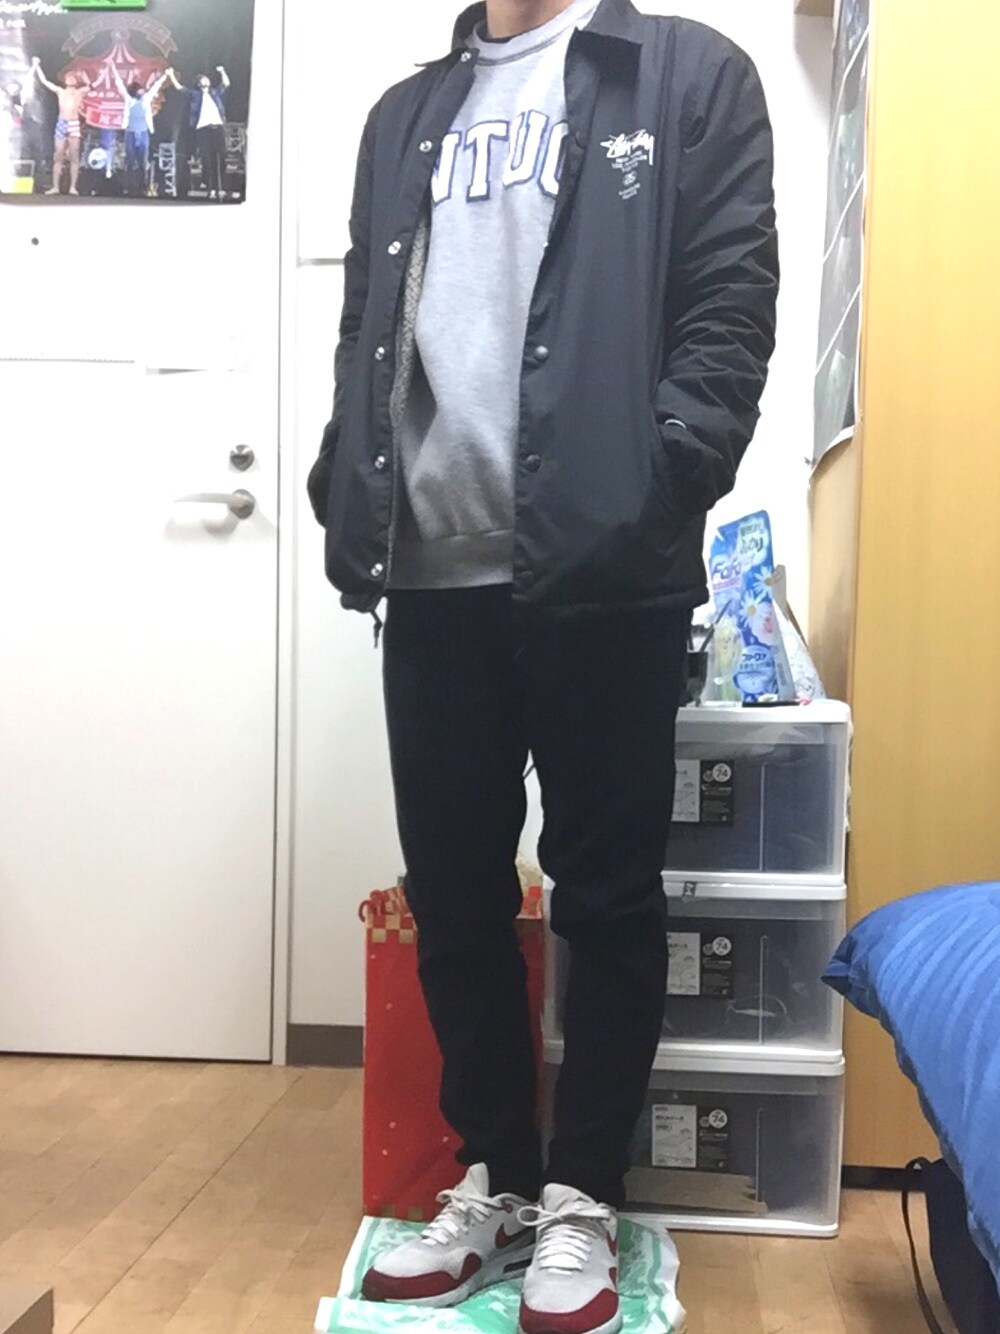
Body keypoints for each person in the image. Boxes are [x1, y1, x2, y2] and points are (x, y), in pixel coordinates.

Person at [307, 1, 778, 1331]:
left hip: (607, 572)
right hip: (429, 572)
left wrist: (657, 484)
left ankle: (584, 1193)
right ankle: (497, 1178)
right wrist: (343, 484)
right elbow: (366, 324)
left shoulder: (686, 75)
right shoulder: (405, 113)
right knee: (455, 896)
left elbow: (728, 303)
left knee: (608, 895)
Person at [29, 58, 91, 195]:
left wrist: (83, 76)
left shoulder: (79, 92)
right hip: (62, 123)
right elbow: (45, 81)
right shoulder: (60, 91)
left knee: (74, 156)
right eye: (68, 76)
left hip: (74, 124)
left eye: (72, 77)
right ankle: (55, 187)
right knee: (58, 156)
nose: (70, 78)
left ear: (76, 80)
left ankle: (73, 187)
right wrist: (37, 66)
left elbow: (91, 86)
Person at [167, 65, 229, 200]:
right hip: (203, 129)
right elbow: (179, 88)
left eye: (207, 78)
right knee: (207, 159)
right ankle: (210, 188)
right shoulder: (195, 95)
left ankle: (221, 187)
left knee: (220, 158)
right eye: (203, 79)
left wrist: (222, 71)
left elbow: (225, 84)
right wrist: (171, 75)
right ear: (199, 83)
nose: (206, 80)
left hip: (217, 127)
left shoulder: (214, 93)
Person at [110, 65, 171, 197]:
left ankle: (143, 187)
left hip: (143, 133)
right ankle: (128, 187)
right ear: (135, 91)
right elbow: (120, 84)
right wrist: (113, 69)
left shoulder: (146, 99)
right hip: (130, 132)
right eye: (140, 90)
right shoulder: (129, 100)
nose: (143, 91)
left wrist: (165, 76)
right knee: (130, 161)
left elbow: (156, 86)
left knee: (142, 161)